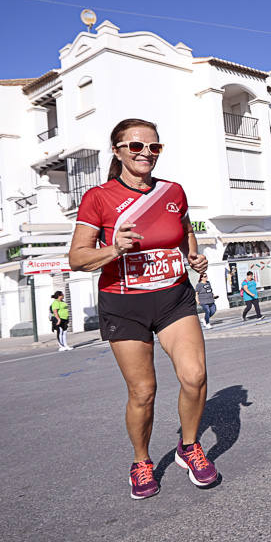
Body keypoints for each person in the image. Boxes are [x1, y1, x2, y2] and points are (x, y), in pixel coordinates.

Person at [68, 118, 219, 500]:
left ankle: (189, 446)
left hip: (173, 296)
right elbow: (77, 257)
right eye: (136, 147)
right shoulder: (98, 197)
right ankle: (141, 461)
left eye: (153, 147)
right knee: (143, 392)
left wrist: (193, 256)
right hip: (124, 304)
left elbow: (185, 229)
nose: (146, 154)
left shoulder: (173, 191)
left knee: (195, 376)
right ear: (117, 151)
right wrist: (115, 248)